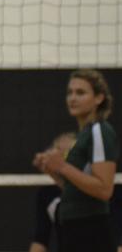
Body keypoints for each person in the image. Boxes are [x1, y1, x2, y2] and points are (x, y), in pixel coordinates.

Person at [34, 69, 118, 252]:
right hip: (72, 227)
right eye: (69, 92)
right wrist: (51, 170)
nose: (72, 98)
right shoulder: (83, 136)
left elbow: (104, 189)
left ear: (99, 98)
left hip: (91, 229)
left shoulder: (100, 131)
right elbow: (78, 191)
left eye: (80, 93)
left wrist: (63, 166)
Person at [29, 132, 77, 252]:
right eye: (56, 149)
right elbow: (41, 238)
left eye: (66, 152)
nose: (57, 154)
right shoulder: (47, 193)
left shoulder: (96, 188)